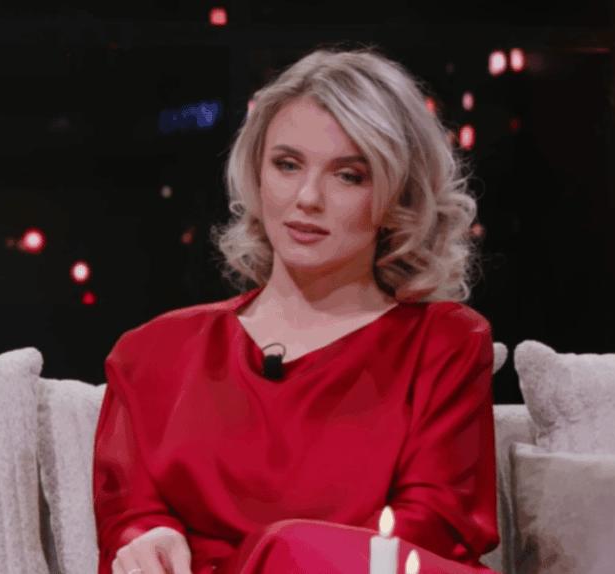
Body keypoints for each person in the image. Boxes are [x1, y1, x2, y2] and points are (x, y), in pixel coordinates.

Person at [93, 44, 501, 574]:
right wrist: (148, 539)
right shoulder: (151, 354)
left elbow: (433, 530)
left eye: (348, 175)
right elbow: (129, 516)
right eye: (287, 165)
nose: (308, 197)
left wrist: (282, 557)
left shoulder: (445, 342)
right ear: (257, 174)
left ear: (398, 194)